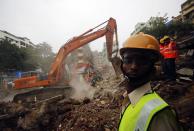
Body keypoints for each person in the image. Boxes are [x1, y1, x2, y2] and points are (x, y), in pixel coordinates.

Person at [118, 33, 183, 131]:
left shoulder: (159, 114)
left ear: (153, 70)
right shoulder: (127, 100)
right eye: (128, 60)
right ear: (122, 65)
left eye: (142, 61)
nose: (133, 67)